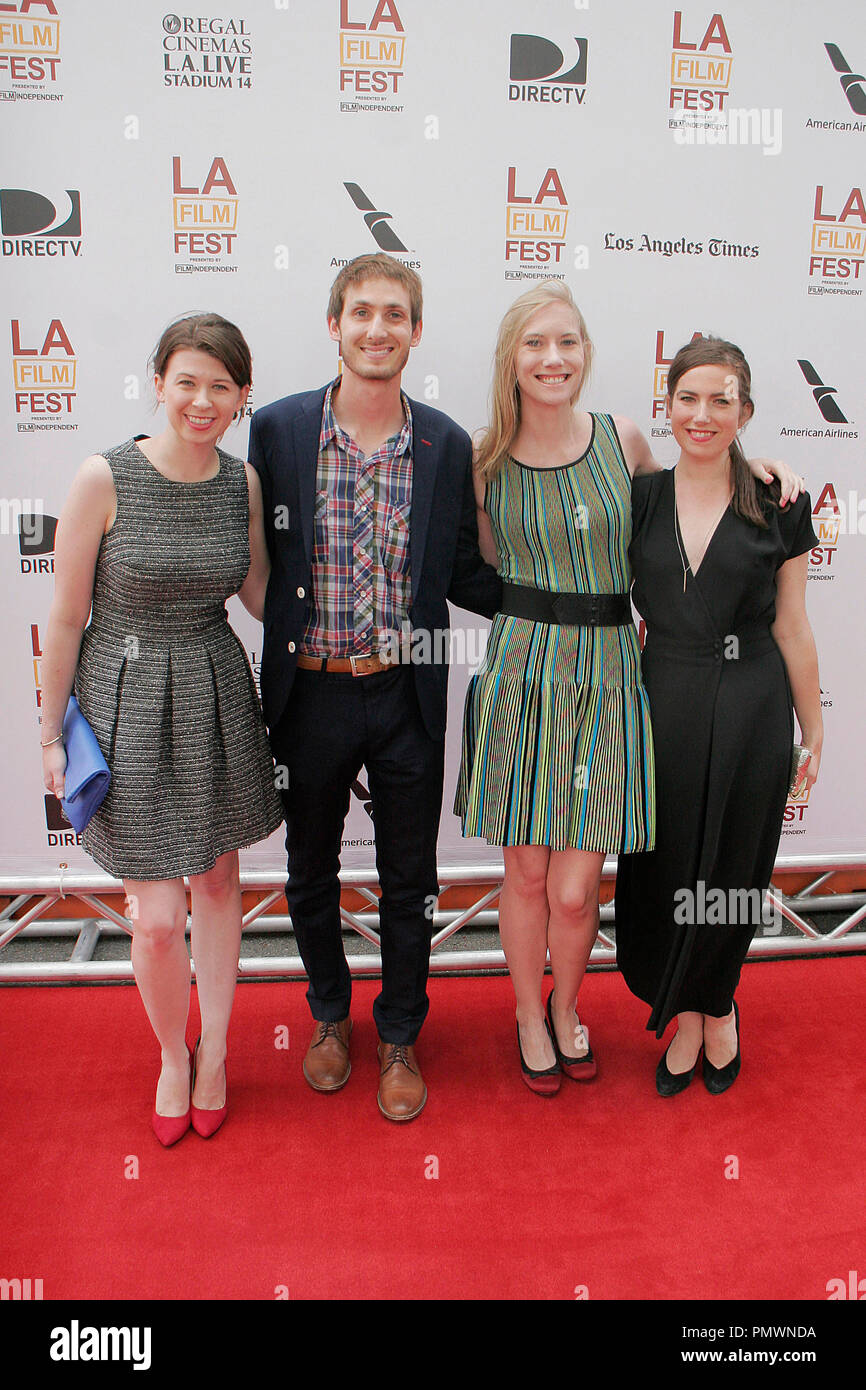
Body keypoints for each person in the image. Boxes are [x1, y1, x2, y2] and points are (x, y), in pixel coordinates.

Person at [454, 281, 802, 1095]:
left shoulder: (625, 440)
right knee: (528, 878)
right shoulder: (483, 460)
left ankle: (570, 1007)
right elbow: (472, 569)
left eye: (567, 342)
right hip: (521, 672)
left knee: (577, 891)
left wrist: (770, 469)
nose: (553, 358)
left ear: (587, 354)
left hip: (612, 674)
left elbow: (701, 485)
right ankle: (529, 1017)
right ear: (512, 356)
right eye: (536, 343)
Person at [249, 253, 501, 1121]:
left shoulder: (444, 441)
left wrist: (579, 596)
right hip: (309, 694)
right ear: (334, 324)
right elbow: (246, 545)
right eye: (361, 313)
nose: (377, 329)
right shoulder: (278, 430)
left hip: (406, 696)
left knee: (410, 878)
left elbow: (468, 571)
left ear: (416, 332)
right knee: (308, 870)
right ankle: (328, 1017)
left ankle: (399, 1032)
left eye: (395, 315)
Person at [40, 313, 283, 1145]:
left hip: (214, 692)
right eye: (187, 381)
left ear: (242, 395)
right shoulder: (103, 477)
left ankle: (215, 1050)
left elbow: (256, 594)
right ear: (158, 382)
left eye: (221, 385)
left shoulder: (241, 484)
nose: (202, 400)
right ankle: (171, 1057)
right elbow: (67, 617)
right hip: (126, 700)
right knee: (152, 917)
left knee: (218, 887)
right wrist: (48, 736)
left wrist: (337, 626)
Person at [614, 336, 821, 1096]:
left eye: (721, 400)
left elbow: (794, 627)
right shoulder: (639, 498)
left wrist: (816, 729)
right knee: (667, 861)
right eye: (688, 399)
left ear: (746, 411)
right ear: (666, 407)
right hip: (660, 699)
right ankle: (683, 1007)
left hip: (753, 704)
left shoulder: (779, 501)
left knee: (733, 868)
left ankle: (716, 1006)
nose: (702, 415)